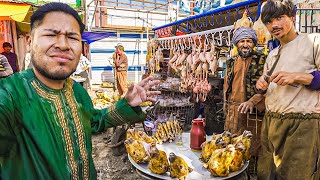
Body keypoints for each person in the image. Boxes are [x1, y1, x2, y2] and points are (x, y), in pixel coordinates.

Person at [0, 2, 160, 180]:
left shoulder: (76, 90)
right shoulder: (10, 95)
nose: (63, 44)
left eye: (72, 37)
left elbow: (94, 121)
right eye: (51, 34)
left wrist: (127, 104)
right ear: (30, 42)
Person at [256, 0, 320, 179]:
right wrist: (262, 84)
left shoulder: (313, 42)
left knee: (296, 175)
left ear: (292, 17)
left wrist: (297, 76)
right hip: (272, 124)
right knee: (267, 173)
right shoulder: (272, 55)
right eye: (269, 21)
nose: (274, 25)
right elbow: (268, 87)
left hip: (302, 125)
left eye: (279, 18)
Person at [223, 27, 266, 156]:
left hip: (254, 110)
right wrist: (226, 107)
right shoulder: (231, 62)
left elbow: (269, 86)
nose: (246, 45)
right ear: (237, 44)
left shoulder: (263, 60)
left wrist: (253, 101)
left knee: (252, 144)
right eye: (242, 41)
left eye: (249, 41)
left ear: (253, 43)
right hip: (234, 110)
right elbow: (226, 86)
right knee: (233, 144)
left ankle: (251, 172)